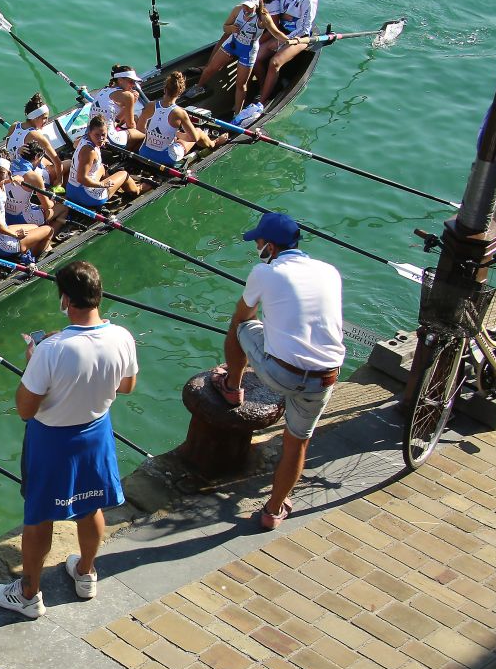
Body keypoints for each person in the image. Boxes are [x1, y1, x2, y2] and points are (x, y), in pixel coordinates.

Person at [0, 261, 137, 616]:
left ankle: (28, 594)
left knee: (39, 516)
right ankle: (86, 573)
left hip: (52, 441)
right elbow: (127, 386)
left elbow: (25, 408)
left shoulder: (50, 350)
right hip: (96, 434)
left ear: (65, 300)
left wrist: (33, 360)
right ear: (98, 295)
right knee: (90, 506)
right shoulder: (122, 337)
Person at [212, 212, 344, 530]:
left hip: (281, 373)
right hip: (324, 377)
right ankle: (273, 511)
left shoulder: (264, 271)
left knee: (241, 325)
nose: (256, 247)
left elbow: (244, 314)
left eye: (258, 242)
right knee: (297, 443)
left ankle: (232, 386)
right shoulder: (330, 271)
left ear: (270, 247)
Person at [185, 0, 290, 114]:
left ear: (257, 4)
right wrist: (231, 28)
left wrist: (289, 40)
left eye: (250, 7)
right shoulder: (237, 10)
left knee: (241, 85)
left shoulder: (263, 17)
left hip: (248, 51)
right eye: (245, 5)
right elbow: (225, 27)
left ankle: (237, 112)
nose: (246, 9)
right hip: (233, 43)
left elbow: (276, 33)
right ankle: (199, 87)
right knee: (211, 68)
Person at [255, 0, 318, 106]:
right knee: (256, 57)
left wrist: (283, 40)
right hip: (282, 32)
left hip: (299, 38)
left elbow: (304, 28)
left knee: (274, 62)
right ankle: (264, 88)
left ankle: (262, 102)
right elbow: (280, 14)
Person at [136, 71, 220, 168]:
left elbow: (139, 128)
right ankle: (214, 143)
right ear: (180, 92)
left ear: (164, 89)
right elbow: (193, 138)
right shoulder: (180, 113)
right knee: (199, 132)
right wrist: (176, 134)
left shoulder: (150, 105)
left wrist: (156, 136)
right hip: (165, 158)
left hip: (144, 153)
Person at [0, 157, 57, 262]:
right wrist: (16, 235)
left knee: (34, 227)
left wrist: (12, 179)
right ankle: (32, 258)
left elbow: (2, 180)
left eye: (1, 173)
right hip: (0, 243)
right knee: (49, 230)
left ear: (8, 173)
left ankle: (25, 250)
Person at [67, 115, 147, 209]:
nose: (100, 138)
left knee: (101, 167)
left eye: (103, 135)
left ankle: (112, 186)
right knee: (124, 174)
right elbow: (81, 178)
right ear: (90, 133)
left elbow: (75, 145)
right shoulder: (90, 152)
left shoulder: (83, 139)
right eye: (97, 135)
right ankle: (138, 189)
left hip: (71, 191)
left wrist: (101, 141)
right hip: (87, 197)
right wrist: (102, 184)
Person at [3, 93, 66, 184]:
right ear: (35, 118)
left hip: (11, 167)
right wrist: (59, 181)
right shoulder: (36, 136)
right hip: (28, 175)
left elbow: (6, 149)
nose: (47, 121)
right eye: (44, 118)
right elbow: (58, 162)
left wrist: (17, 151)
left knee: (43, 160)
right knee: (67, 163)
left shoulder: (14, 125)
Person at [88, 65, 146, 147]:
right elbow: (131, 125)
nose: (133, 85)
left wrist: (131, 103)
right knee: (144, 136)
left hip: (90, 132)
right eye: (131, 81)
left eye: (135, 82)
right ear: (120, 80)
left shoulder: (104, 90)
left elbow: (117, 119)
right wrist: (136, 133)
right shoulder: (128, 96)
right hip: (106, 136)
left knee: (133, 119)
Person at [4, 144, 55, 227]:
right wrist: (53, 201)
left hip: (5, 215)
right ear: (36, 157)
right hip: (21, 218)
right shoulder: (34, 177)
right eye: (41, 158)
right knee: (59, 209)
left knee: (36, 206)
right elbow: (47, 206)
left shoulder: (5, 165)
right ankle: (51, 232)